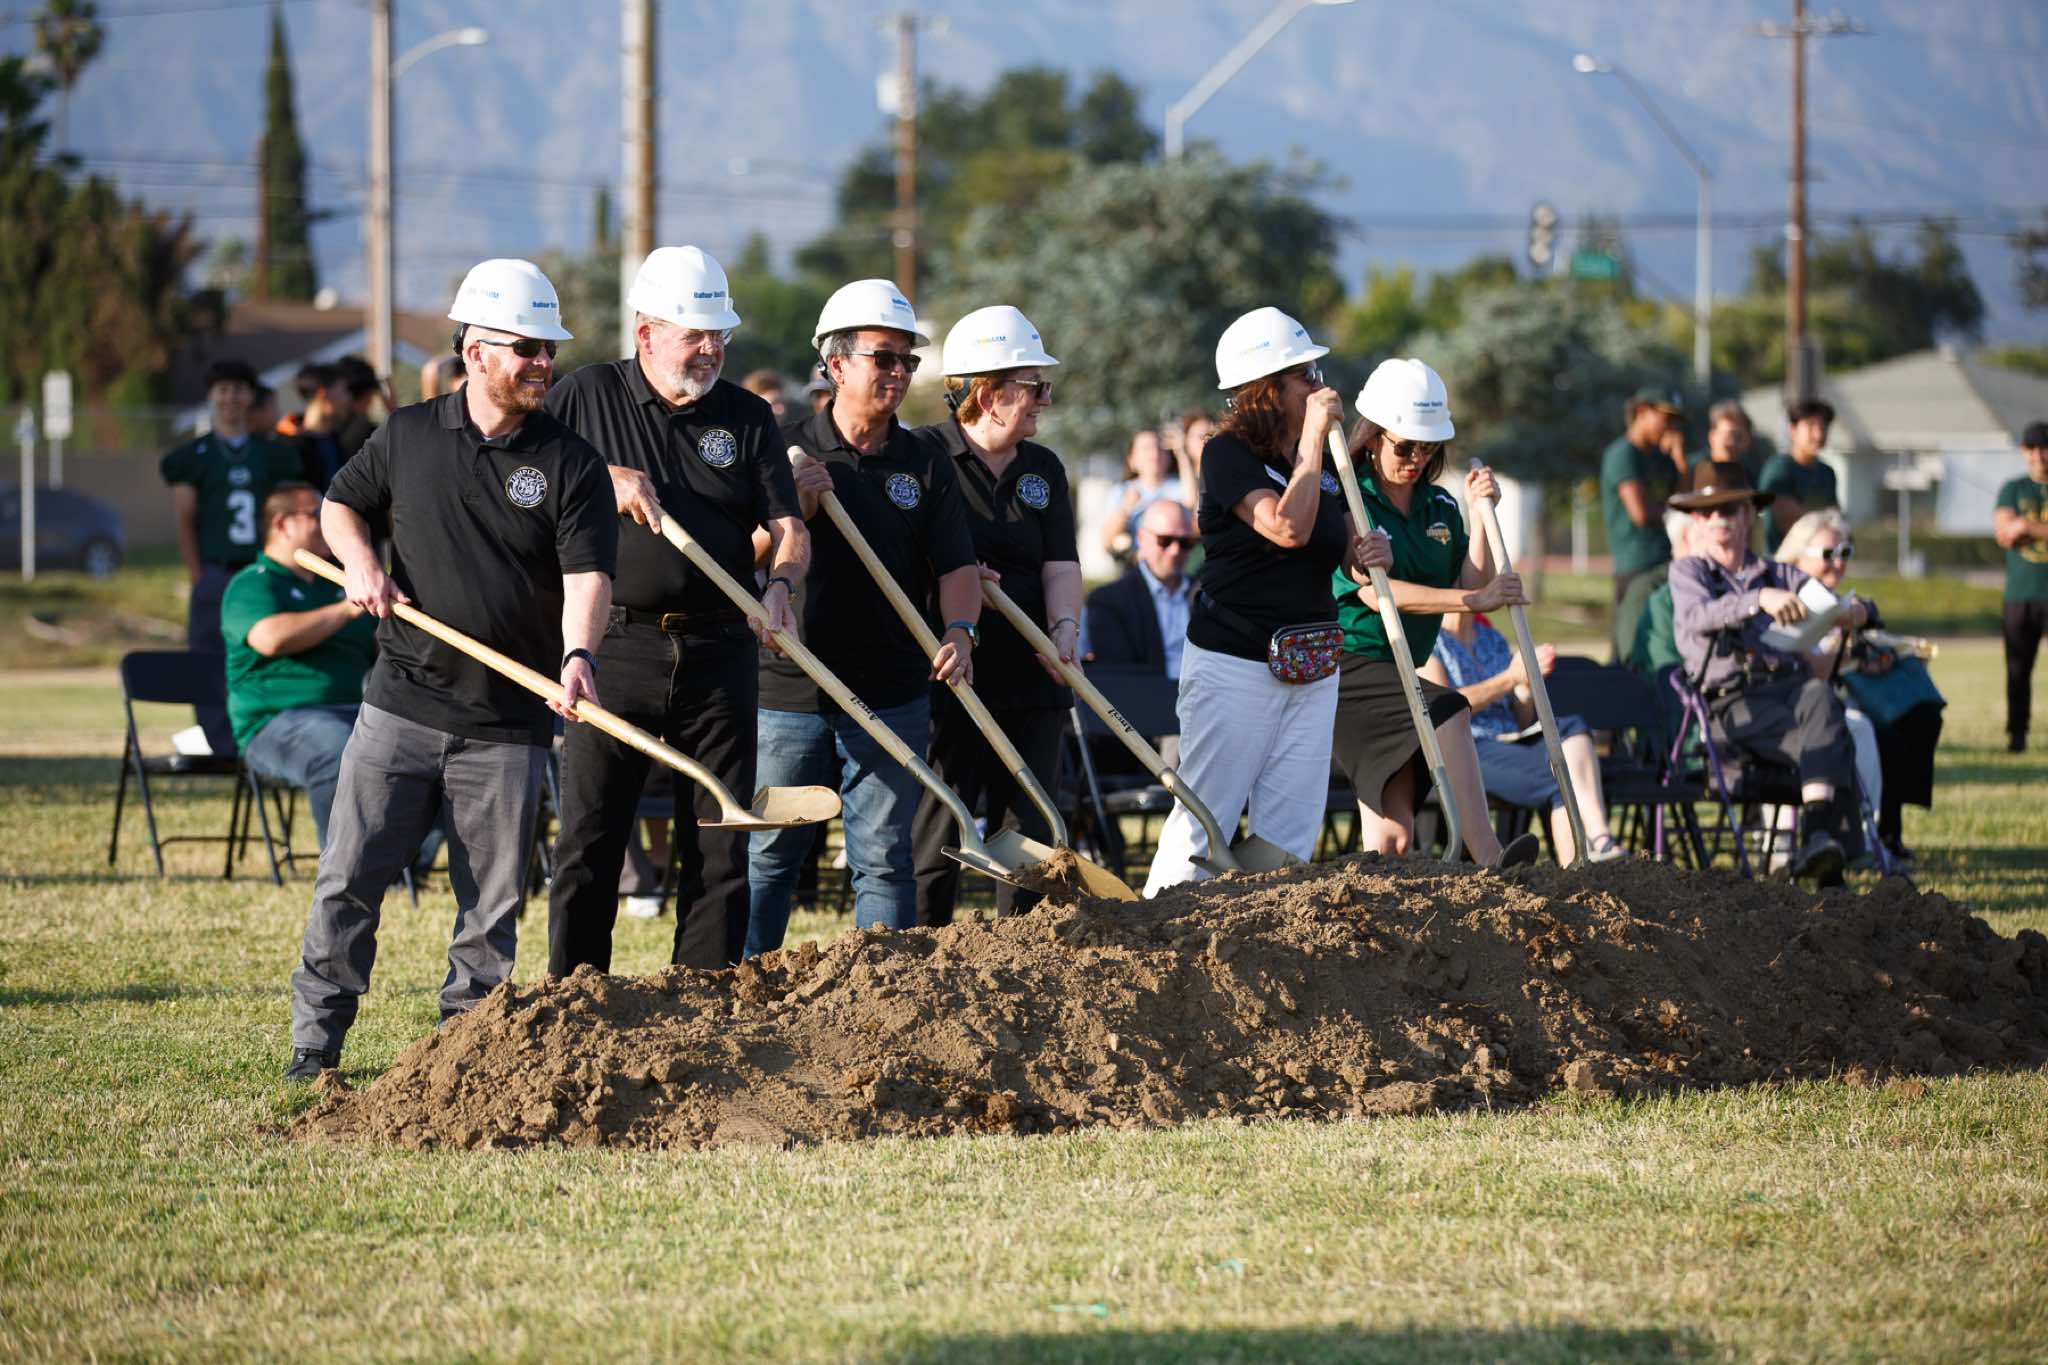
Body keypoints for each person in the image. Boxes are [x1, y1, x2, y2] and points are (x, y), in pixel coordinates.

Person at [283, 258, 617, 1081]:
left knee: (491, 911)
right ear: (475, 352)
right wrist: (360, 562)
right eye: (526, 348)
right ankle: (314, 1047)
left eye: (549, 349)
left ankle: (464, 1062)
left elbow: (588, 579)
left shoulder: (572, 461)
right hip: (399, 706)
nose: (543, 362)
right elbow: (339, 504)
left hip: (507, 724)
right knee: (348, 882)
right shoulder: (408, 434)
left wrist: (578, 655)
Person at [545, 245, 808, 975]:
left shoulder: (747, 415)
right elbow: (526, 476)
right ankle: (576, 998)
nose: (711, 349)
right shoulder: (584, 396)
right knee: (591, 838)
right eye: (696, 335)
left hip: (722, 650)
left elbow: (789, 528)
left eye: (719, 334)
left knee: (720, 844)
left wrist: (780, 588)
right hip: (614, 643)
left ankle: (703, 999)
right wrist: (601, 475)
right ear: (646, 333)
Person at [746, 278, 980, 954]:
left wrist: (961, 630)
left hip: (891, 691)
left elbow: (958, 568)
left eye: (908, 359)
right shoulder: (782, 446)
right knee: (770, 856)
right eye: (884, 357)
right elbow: (738, 554)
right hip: (791, 686)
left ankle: (881, 994)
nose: (899, 372)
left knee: (883, 858)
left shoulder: (926, 461)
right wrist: (792, 509)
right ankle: (744, 988)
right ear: (836, 363)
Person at [1142, 307, 1391, 894]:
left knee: (1288, 833)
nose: (1319, 385)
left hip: (1312, 662)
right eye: (1304, 375)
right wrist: (1313, 442)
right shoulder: (1227, 454)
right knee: (1205, 820)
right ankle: (1153, 930)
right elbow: (1287, 528)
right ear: (1266, 390)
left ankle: (1266, 937)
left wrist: (1368, 552)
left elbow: (1341, 553)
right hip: (1235, 663)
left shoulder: (1318, 460)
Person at [1329, 358, 1541, 868]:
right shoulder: (1349, 496)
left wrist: (1480, 515)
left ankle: (1367, 915)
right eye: (1405, 446)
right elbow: (1380, 594)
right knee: (1448, 708)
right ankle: (1488, 858)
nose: (1417, 459)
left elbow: (1469, 582)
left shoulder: (1440, 505)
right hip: (1350, 667)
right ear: (1374, 437)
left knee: (1394, 841)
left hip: (1402, 669)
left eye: (1428, 448)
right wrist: (1474, 601)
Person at [909, 305, 1079, 925]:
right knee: (940, 821)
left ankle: (1020, 952)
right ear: (987, 394)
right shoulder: (923, 455)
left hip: (1032, 676)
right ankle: (920, 948)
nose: (1044, 401)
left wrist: (1064, 631)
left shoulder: (1044, 468)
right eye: (1034, 387)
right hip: (951, 672)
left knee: (1028, 828)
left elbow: (1061, 565)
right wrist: (956, 578)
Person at [1667, 459, 1862, 886]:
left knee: (1822, 700)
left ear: (1749, 514)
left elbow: (1826, 598)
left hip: (1788, 695)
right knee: (1832, 737)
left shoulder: (1777, 572)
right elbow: (1698, 616)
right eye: (1707, 511)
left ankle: (1819, 843)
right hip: (1732, 708)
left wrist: (1856, 611)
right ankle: (1830, 871)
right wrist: (1758, 600)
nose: (1718, 518)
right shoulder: (1689, 572)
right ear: (1696, 521)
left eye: (1729, 508)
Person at [1778, 509, 1943, 867]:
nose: (1838, 563)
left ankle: (1886, 835)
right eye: (1828, 554)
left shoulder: (1840, 601)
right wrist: (1846, 644)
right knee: (1871, 731)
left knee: (1919, 717)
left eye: (1845, 552)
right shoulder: (1785, 602)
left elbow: (1848, 646)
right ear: (1796, 556)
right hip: (1803, 705)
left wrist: (1865, 650)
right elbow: (1813, 669)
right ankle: (1866, 840)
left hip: (1840, 695)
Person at [160, 357, 307, 754]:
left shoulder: (273, 455)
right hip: (216, 571)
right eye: (223, 390)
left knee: (269, 655)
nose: (230, 398)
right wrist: (198, 576)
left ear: (250, 396)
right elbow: (185, 523)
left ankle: (263, 740)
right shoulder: (194, 456)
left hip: (261, 572)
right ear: (211, 396)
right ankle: (216, 743)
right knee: (210, 659)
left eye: (238, 389)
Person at [220, 481, 377, 848]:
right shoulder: (252, 585)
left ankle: (410, 865)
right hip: (276, 722)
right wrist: (346, 610)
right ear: (281, 524)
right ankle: (346, 870)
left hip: (355, 711)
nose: (327, 523)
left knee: (426, 748)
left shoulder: (337, 581)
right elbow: (269, 638)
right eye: (316, 515)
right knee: (339, 750)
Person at [1425, 611, 1624, 864]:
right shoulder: (1430, 642)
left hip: (1510, 741)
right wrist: (1510, 678)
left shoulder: (1491, 638)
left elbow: (1520, 718)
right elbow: (1444, 708)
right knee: (1560, 780)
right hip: (1467, 748)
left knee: (1573, 726)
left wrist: (1525, 688)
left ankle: (1600, 838)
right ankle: (1579, 868)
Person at [1599, 387, 1687, 664]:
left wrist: (1678, 457)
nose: (1670, 426)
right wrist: (1675, 513)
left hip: (1665, 560)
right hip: (1636, 563)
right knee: (1627, 645)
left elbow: (1686, 499)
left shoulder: (1662, 458)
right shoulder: (1623, 453)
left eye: (1674, 420)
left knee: (1659, 642)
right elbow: (1640, 513)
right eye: (1665, 417)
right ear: (1641, 412)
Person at [1081, 498, 1198, 679]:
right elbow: (1120, 676)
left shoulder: (1207, 596)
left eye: (1185, 542)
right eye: (1165, 540)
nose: (1175, 551)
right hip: (1147, 695)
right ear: (1141, 537)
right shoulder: (1108, 602)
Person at [1994, 421, 2048, 752]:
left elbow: (2016, 528)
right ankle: (2017, 735)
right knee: (2017, 668)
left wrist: (2026, 525)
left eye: (2045, 449)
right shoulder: (2013, 489)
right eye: (2033, 449)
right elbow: (2003, 533)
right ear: (2024, 452)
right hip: (2020, 594)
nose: (2040, 456)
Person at [1100, 428, 1197, 563]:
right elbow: (1107, 540)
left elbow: (1190, 503)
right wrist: (1125, 509)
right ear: (1132, 460)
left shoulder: (1178, 487)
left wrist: (1182, 453)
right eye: (1146, 448)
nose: (1154, 453)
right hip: (1134, 565)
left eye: (1159, 447)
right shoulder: (1121, 492)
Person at [1759, 397, 1838, 554]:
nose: (1818, 434)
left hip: (1816, 558)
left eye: (1823, 427)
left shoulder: (1827, 472)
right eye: (1811, 426)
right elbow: (1787, 517)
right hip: (1780, 560)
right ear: (1793, 430)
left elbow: (1836, 518)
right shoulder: (1780, 467)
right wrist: (1824, 521)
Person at [1702, 399, 1759, 482]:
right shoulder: (1692, 472)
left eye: (1739, 437)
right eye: (1728, 436)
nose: (1732, 443)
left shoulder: (1747, 477)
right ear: (1712, 437)